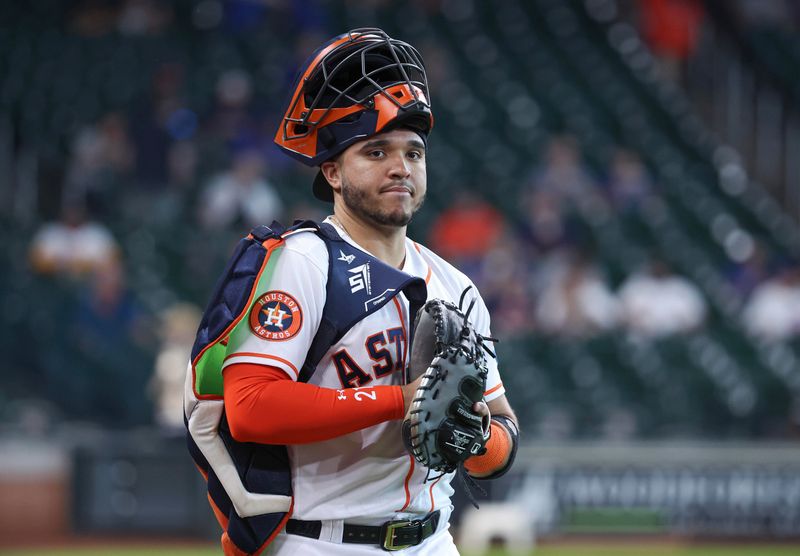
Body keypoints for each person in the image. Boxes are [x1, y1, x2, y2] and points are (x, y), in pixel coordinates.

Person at [185, 28, 518, 555]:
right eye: (377, 152)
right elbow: (250, 407)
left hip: (433, 540)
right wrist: (398, 401)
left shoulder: (457, 285)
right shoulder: (304, 260)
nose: (400, 167)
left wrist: (477, 438)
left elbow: (503, 435)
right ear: (333, 172)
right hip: (321, 541)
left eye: (413, 153)